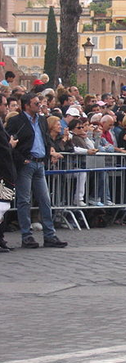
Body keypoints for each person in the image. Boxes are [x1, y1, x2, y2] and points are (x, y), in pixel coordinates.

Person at [5, 92, 67, 249]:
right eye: (36, 104)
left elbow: (45, 138)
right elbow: (10, 144)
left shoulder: (41, 120)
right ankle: (26, 235)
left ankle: (49, 235)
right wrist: (22, 160)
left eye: (39, 103)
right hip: (26, 163)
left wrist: (48, 153)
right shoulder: (16, 121)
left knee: (45, 200)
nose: (39, 106)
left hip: (39, 163)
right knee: (24, 200)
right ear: (26, 105)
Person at [0, 93, 17, 252]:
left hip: (5, 172)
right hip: (2, 174)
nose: (6, 107)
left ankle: (1, 238)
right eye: (4, 104)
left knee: (4, 206)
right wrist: (10, 145)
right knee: (2, 206)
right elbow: (3, 149)